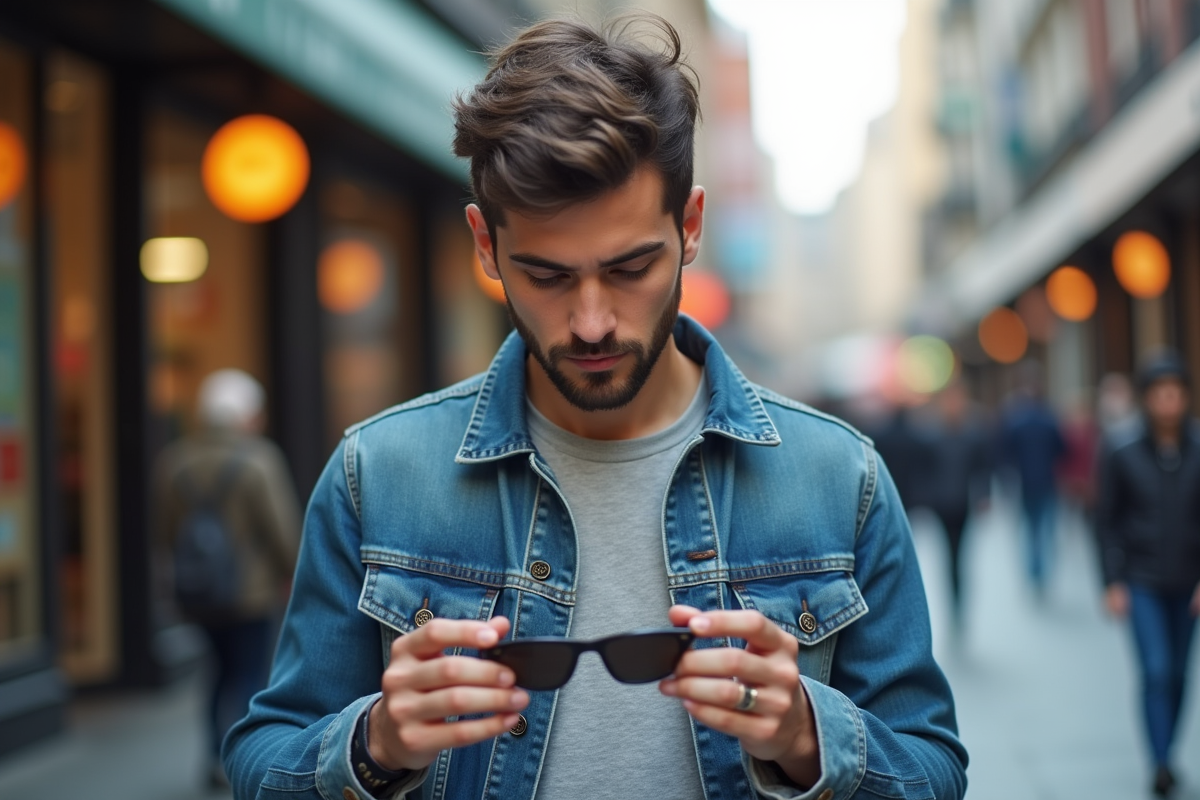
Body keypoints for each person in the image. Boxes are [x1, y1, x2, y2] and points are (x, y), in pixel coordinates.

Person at [224, 16, 967, 800]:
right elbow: (263, 757)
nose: (590, 322)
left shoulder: (837, 477)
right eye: (546, 276)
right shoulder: (377, 476)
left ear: (690, 227)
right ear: (485, 245)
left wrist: (810, 738)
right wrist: (373, 744)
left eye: (629, 268)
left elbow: (934, 769)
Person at [153, 368, 301, 789]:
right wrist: (293, 574)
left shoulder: (175, 462)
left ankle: (212, 754)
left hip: (198, 593)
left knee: (216, 672)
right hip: (250, 592)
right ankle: (243, 759)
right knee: (250, 674)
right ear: (246, 415)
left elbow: (167, 532)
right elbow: (281, 528)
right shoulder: (259, 460)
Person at [1097, 351, 1200, 797]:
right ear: (1146, 398)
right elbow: (1105, 519)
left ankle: (1168, 749)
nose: (1168, 402)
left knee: (1179, 673)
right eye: (1160, 393)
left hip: (1189, 581)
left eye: (1176, 393)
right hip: (1141, 580)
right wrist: (1111, 582)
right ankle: (1159, 761)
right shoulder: (1121, 450)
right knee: (1156, 670)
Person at [926, 381, 993, 633]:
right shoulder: (933, 435)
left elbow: (983, 468)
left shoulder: (973, 434)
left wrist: (984, 495)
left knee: (961, 558)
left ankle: (960, 608)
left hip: (963, 505)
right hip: (942, 506)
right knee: (948, 558)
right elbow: (925, 470)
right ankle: (952, 607)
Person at [1000, 361, 1066, 599]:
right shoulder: (1049, 417)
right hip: (1046, 481)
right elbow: (1062, 448)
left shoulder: (1015, 418)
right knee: (1045, 530)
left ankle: (1034, 571)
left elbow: (1005, 452)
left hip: (1026, 482)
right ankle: (1040, 572)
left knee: (1031, 529)